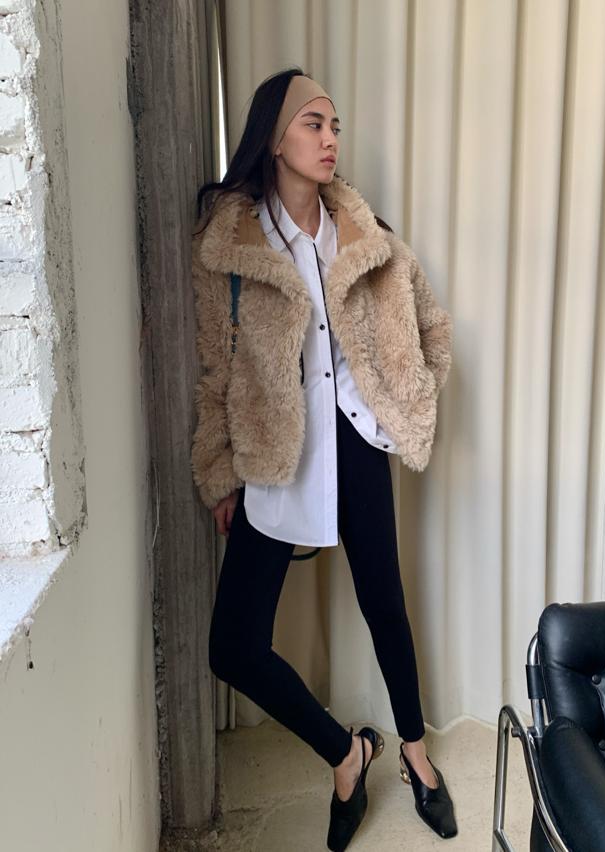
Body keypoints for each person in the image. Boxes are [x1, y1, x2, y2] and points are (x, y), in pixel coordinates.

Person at [190, 67, 456, 850]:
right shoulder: (233, 245)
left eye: (334, 124)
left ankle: (415, 754)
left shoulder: (364, 233)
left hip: (355, 438)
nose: (330, 137)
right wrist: (221, 470)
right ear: (275, 139)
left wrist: (406, 398)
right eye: (313, 123)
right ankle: (347, 753)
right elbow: (216, 368)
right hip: (276, 447)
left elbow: (431, 329)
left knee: (384, 602)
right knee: (233, 645)